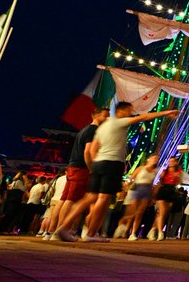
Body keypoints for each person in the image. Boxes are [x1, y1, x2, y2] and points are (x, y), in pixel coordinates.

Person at [56, 102, 178, 243]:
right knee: (104, 199)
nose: (131, 114)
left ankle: (64, 226)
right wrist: (166, 113)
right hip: (112, 164)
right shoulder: (119, 122)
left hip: (99, 163)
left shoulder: (102, 128)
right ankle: (91, 233)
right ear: (122, 111)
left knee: (89, 198)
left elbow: (91, 150)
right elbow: (144, 117)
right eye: (129, 111)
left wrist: (93, 166)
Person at [52, 107, 107, 239]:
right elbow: (88, 151)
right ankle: (61, 230)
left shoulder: (84, 129)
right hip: (81, 167)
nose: (107, 118)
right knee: (72, 200)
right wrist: (92, 169)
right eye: (105, 115)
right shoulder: (93, 131)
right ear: (96, 116)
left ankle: (57, 231)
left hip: (72, 166)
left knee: (65, 199)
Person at [115, 155, 158, 240]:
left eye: (157, 159)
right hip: (136, 189)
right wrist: (125, 187)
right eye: (154, 158)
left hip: (146, 191)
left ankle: (133, 233)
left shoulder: (155, 171)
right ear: (149, 159)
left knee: (140, 213)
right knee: (132, 213)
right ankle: (121, 225)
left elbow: (152, 184)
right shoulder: (141, 168)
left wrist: (152, 196)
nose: (155, 160)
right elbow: (131, 178)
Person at [151, 156, 184, 241]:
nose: (171, 163)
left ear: (176, 163)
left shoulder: (179, 172)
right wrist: (154, 194)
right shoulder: (164, 171)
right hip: (163, 190)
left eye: (173, 161)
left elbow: (179, 182)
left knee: (164, 213)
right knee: (162, 212)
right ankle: (160, 232)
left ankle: (153, 229)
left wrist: (178, 177)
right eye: (170, 161)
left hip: (172, 191)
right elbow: (160, 182)